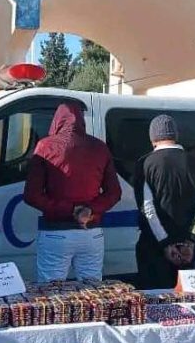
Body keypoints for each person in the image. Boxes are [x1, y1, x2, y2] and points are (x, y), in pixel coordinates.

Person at [23, 101, 121, 282]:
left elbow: (32, 195)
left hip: (56, 232)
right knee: (92, 290)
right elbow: (114, 193)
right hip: (91, 232)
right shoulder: (99, 147)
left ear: (57, 121)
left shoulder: (45, 147)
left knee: (51, 291)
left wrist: (70, 209)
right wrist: (89, 210)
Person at [133, 115, 195, 289]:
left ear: (153, 138)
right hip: (187, 249)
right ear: (176, 135)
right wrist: (191, 240)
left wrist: (166, 243)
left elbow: (148, 208)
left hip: (153, 247)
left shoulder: (145, 163)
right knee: (186, 297)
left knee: (155, 299)